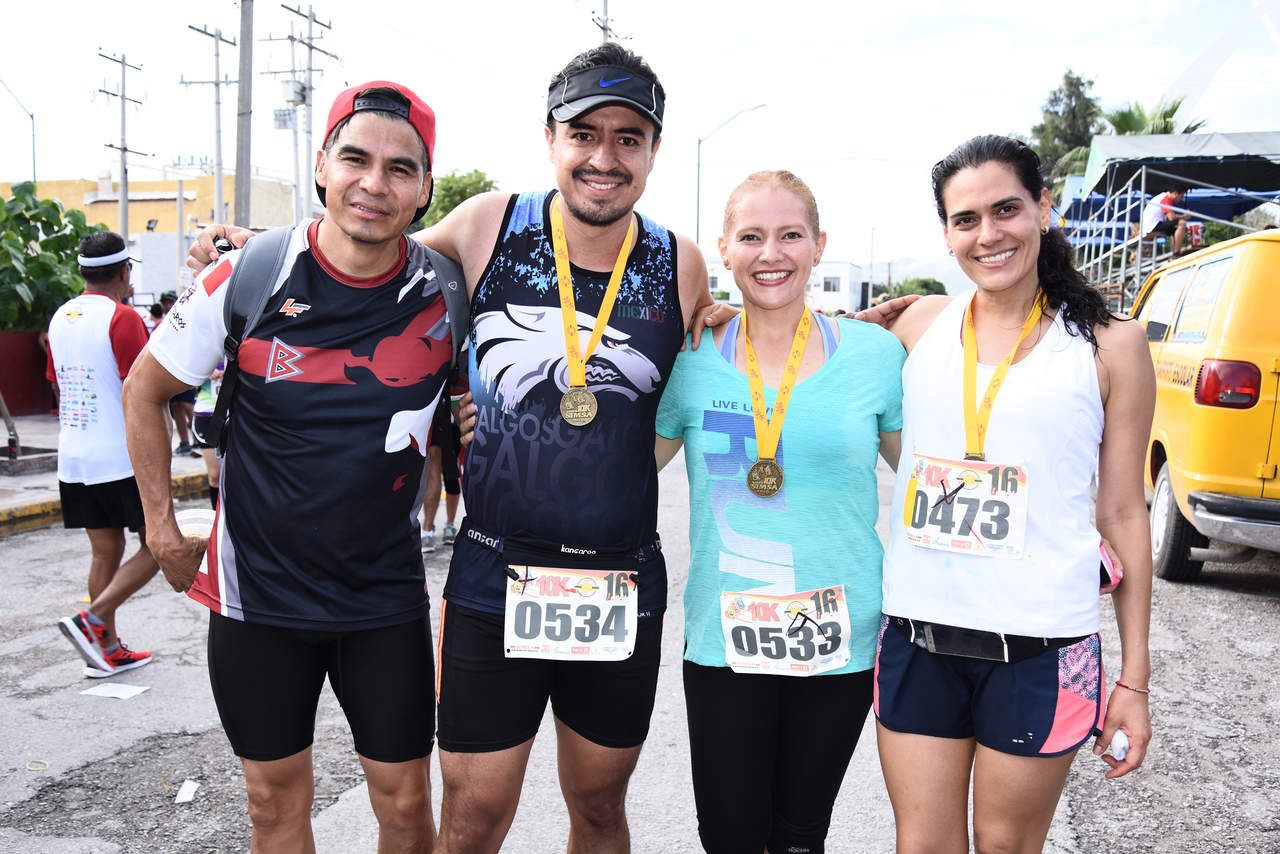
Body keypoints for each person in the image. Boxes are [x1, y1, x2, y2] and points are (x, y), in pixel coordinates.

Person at [188, 45, 722, 854]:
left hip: (618, 576)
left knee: (602, 808)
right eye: (585, 134)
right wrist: (246, 246)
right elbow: (366, 243)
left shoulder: (678, 262)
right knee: (470, 817)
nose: (604, 157)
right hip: (495, 573)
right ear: (552, 139)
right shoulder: (488, 225)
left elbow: (717, 370)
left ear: (652, 151)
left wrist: (841, 327)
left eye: (629, 138)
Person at [123, 81, 446, 853]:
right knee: (273, 805)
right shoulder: (248, 273)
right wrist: (161, 528)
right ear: (322, 167)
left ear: (426, 188)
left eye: (401, 169)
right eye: (356, 159)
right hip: (257, 600)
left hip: (383, 599)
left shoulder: (445, 288)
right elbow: (144, 390)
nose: (375, 183)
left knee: (404, 805)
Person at [873, 135, 1154, 853]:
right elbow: (805, 346)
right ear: (946, 233)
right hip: (919, 638)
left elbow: (1122, 510)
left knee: (1005, 846)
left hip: (1042, 647)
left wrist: (1135, 679)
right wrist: (721, 318)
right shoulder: (916, 324)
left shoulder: (1109, 343)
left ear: (1044, 209)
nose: (988, 234)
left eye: (1007, 210)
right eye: (966, 219)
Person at [654, 170, 904, 853]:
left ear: (819, 245)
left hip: (838, 641)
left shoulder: (877, 356)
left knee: (799, 836)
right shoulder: (692, 356)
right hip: (725, 643)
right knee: (731, 837)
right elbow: (622, 468)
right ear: (724, 249)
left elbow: (922, 478)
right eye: (752, 237)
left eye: (791, 235)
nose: (772, 253)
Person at [50, 231, 160, 677]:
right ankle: (93, 620)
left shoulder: (60, 317)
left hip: (74, 453)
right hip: (120, 455)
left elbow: (55, 382)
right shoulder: (122, 317)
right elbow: (143, 390)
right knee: (158, 545)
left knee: (105, 551)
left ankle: (105, 649)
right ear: (123, 272)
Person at [420, 398, 461, 552]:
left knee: (438, 468)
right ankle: (437, 528)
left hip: (441, 407)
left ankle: (428, 531)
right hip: (450, 408)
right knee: (447, 469)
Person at [189, 363, 224, 509]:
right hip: (206, 416)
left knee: (235, 476)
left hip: (232, 415)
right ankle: (215, 519)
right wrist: (204, 372)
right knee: (215, 476)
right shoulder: (202, 348)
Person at [1139, 184, 1189, 256]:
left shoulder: (1162, 197)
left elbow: (1169, 219)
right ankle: (1177, 252)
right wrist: (1184, 216)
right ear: (1175, 193)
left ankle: (1175, 251)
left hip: (1150, 226)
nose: (1181, 200)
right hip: (1152, 226)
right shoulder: (1166, 198)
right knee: (1182, 223)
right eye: (1181, 197)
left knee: (1175, 227)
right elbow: (1171, 217)